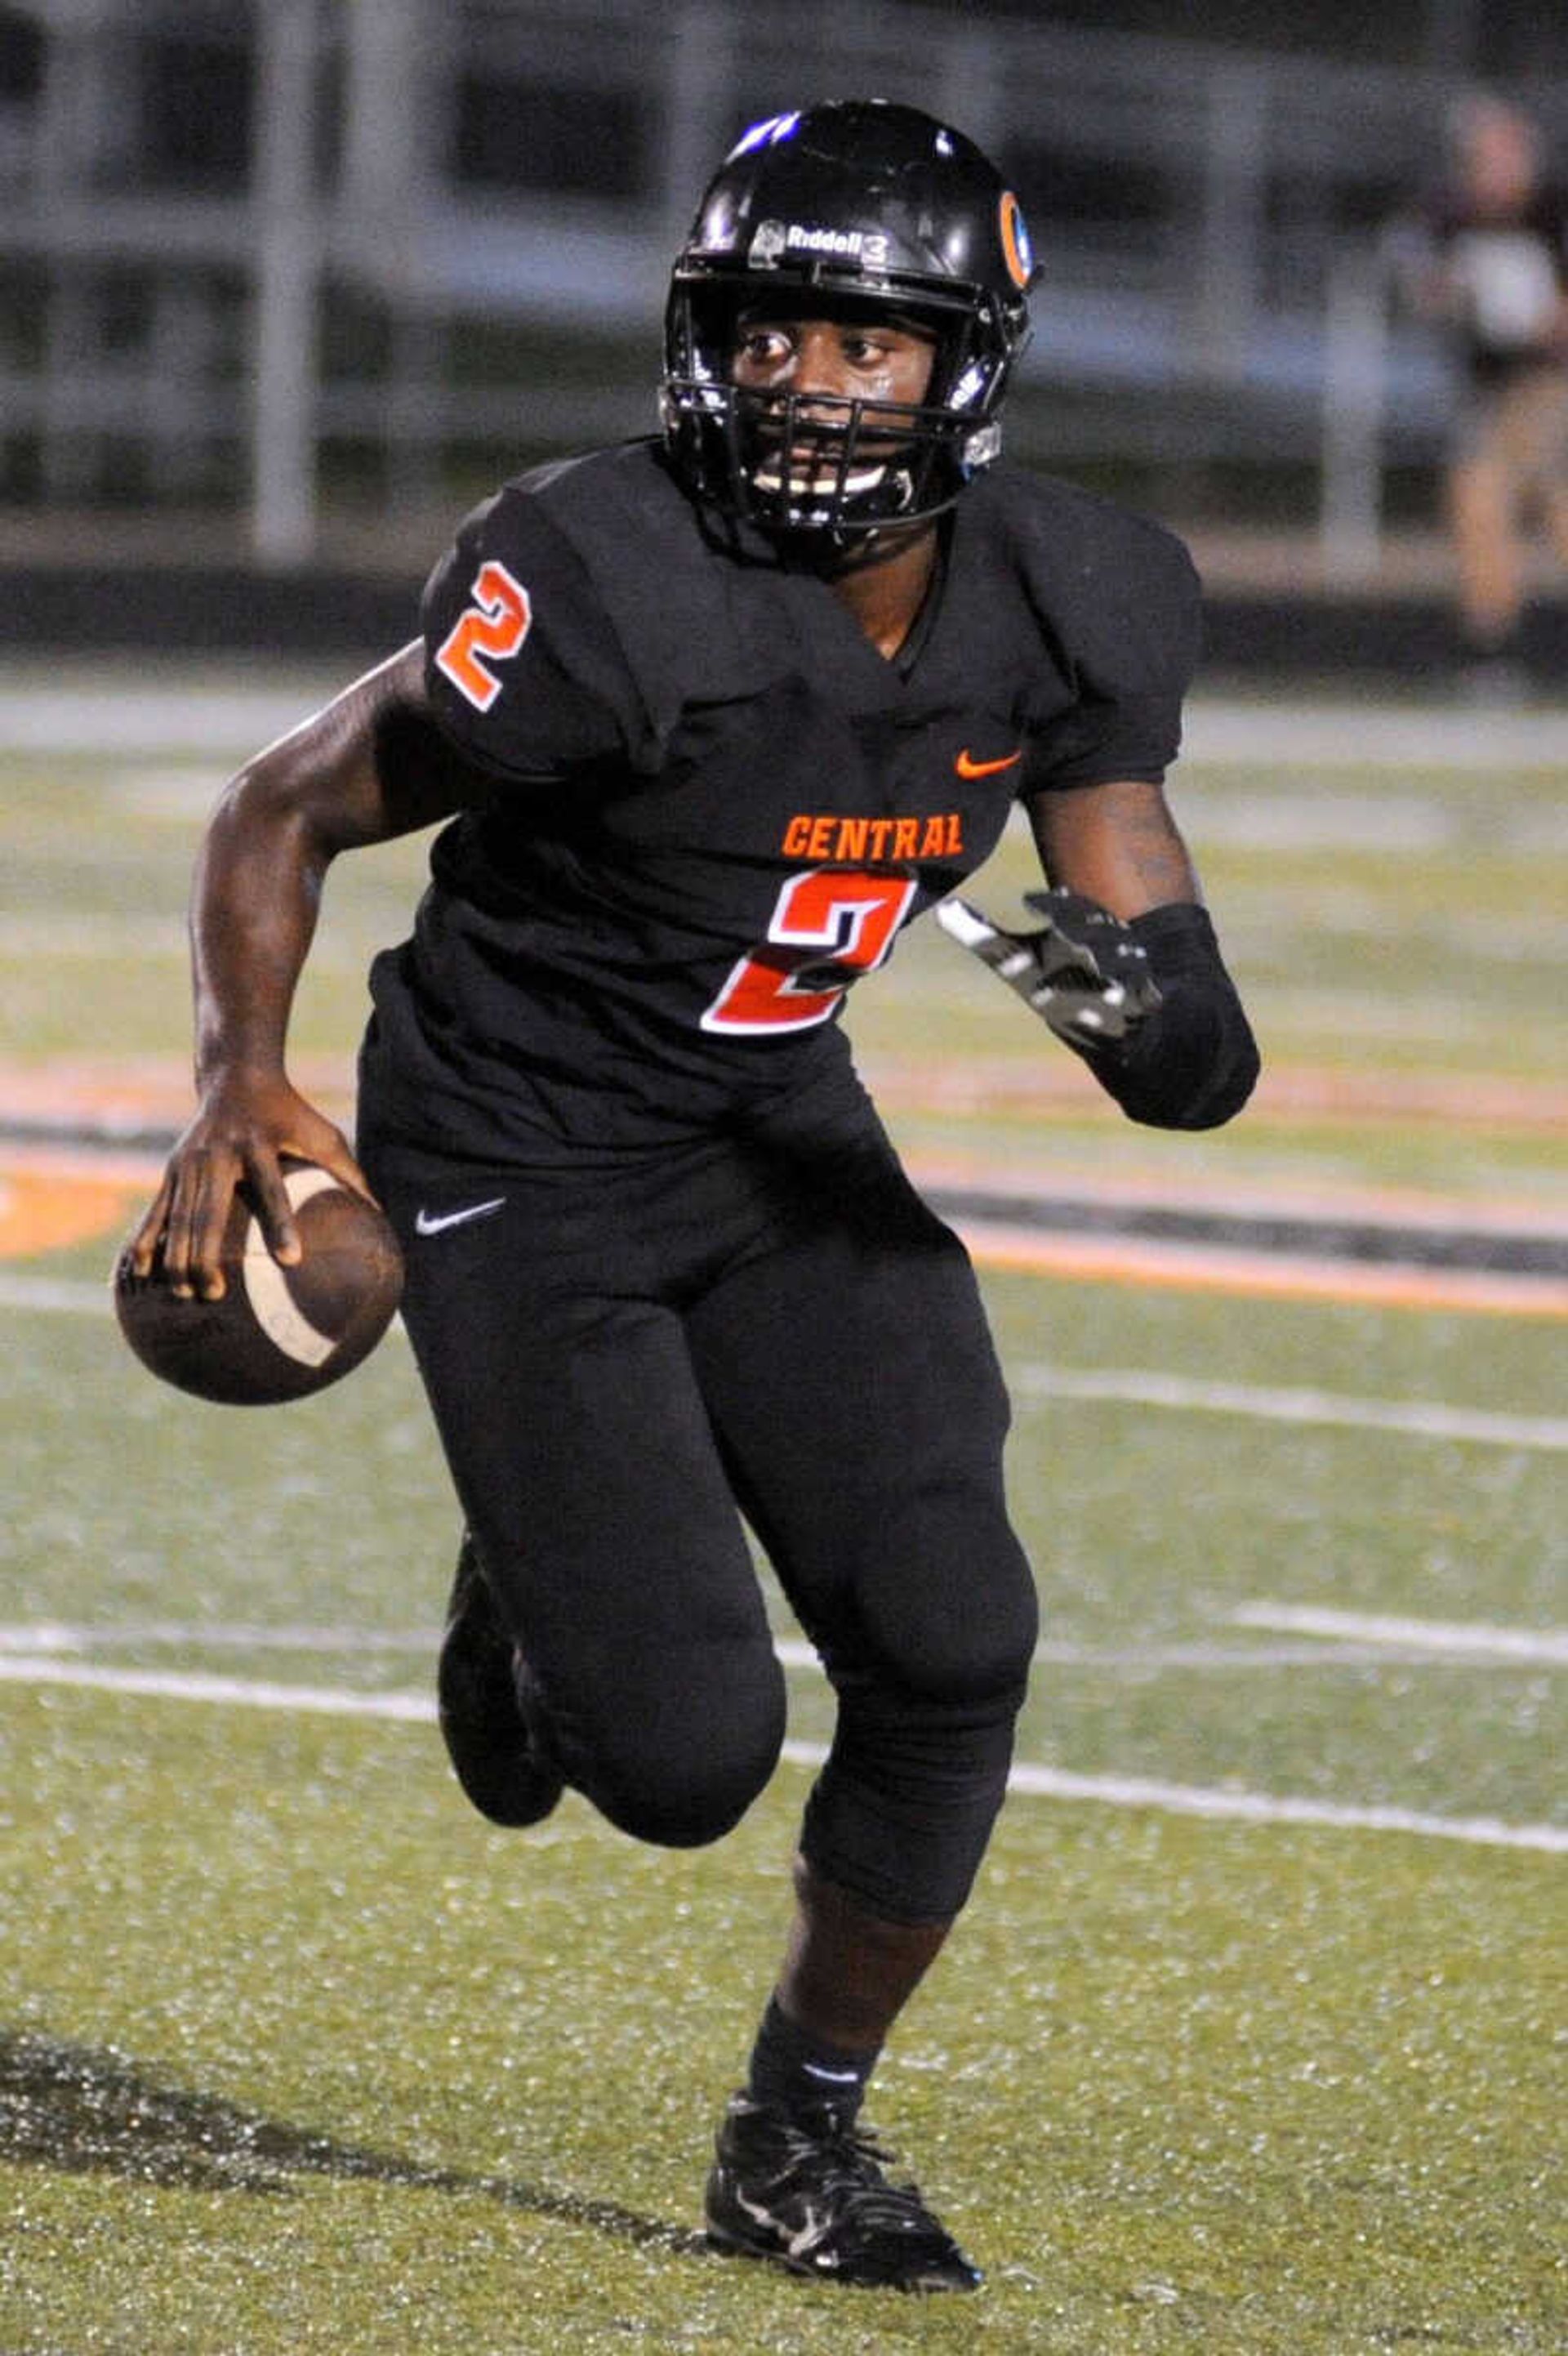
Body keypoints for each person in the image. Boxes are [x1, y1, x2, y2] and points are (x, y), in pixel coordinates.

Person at [131, 100, 1258, 2293]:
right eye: (772, 337)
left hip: (772, 1139)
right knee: (674, 1759)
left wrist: (1152, 1016)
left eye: (870, 350)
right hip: (516, 1147)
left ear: (972, 369)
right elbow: (280, 808)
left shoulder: (1082, 593)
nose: (810, 390)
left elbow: (1184, 1025)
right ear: (700, 341)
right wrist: (238, 1078)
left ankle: (794, 2140)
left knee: (954, 1635)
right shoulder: (594, 575)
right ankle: (544, 1580)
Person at [1394, 92, 1568, 695]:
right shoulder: (1449, 215)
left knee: (1495, 492)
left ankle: (1495, 651)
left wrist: (1543, 318)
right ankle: (1493, 650)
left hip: (1550, 381)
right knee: (1484, 506)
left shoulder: (1551, 212)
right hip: (1489, 385)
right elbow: (1425, 290)